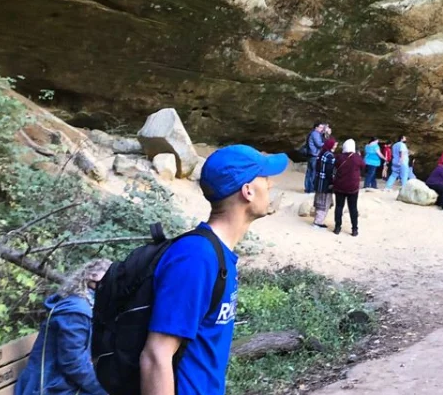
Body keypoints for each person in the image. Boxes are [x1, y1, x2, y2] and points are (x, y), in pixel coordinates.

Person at [142, 144, 286, 394]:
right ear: (248, 191)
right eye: (264, 177)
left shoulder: (217, 254)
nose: (270, 184)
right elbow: (156, 355)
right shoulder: (196, 257)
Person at [16, 259, 113, 395]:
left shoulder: (85, 305)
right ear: (89, 280)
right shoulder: (76, 312)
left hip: (61, 383)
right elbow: (73, 364)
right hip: (48, 387)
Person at [329, 139, 366, 236]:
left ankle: (337, 227)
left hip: (340, 186)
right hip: (352, 187)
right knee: (353, 208)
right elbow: (363, 166)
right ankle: (354, 229)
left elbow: (335, 166)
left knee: (339, 207)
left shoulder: (339, 157)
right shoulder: (357, 158)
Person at [311, 138, 338, 229]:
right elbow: (330, 170)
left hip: (319, 181)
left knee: (319, 200)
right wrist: (333, 181)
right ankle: (318, 222)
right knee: (324, 202)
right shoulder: (329, 155)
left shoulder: (321, 153)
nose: (335, 146)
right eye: (334, 144)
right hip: (325, 183)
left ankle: (317, 220)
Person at [303, 122, 327, 193]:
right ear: (316, 127)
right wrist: (326, 142)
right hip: (314, 155)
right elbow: (319, 144)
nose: (322, 129)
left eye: (322, 128)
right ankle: (311, 189)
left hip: (311, 154)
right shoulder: (315, 134)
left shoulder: (312, 133)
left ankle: (308, 188)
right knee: (313, 172)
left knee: (309, 172)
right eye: (320, 127)